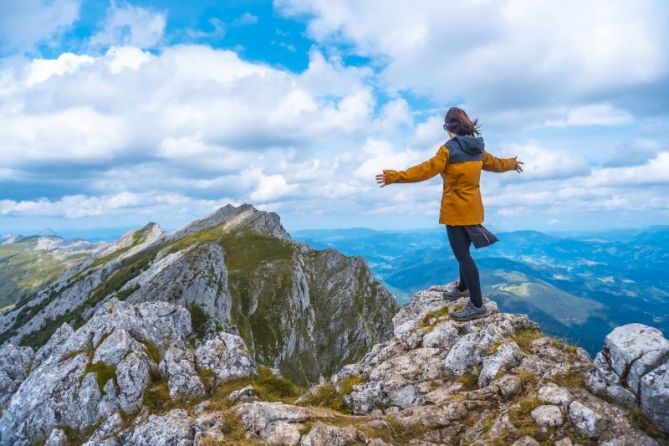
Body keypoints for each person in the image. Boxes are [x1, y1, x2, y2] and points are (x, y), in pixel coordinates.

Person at [376, 107, 523, 321]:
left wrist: (394, 176)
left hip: (455, 211)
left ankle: (477, 305)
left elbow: (425, 170)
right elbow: (497, 164)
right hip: (474, 209)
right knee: (464, 253)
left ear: (448, 128)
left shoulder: (448, 150)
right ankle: (463, 288)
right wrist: (513, 163)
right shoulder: (478, 149)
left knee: (463, 257)